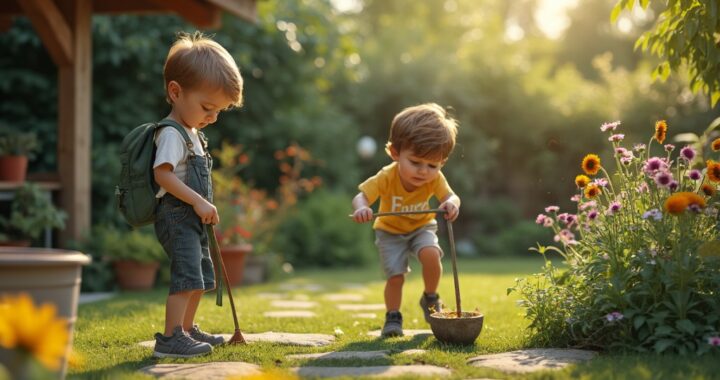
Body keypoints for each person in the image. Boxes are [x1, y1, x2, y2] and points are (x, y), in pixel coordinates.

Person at [151, 32, 243, 358]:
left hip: (192, 217)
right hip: (176, 215)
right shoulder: (172, 134)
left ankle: (186, 330)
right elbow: (161, 174)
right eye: (207, 107)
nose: (213, 117)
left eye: (219, 111)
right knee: (186, 275)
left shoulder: (193, 134)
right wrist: (199, 201)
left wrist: (201, 206)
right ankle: (170, 338)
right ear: (175, 92)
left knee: (200, 275)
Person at [351, 103, 460, 337]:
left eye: (432, 165)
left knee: (431, 254)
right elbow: (361, 197)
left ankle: (430, 296)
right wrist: (362, 209)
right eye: (416, 162)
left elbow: (451, 196)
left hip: (421, 227)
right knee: (396, 276)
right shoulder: (386, 176)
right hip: (390, 231)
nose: (423, 171)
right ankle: (393, 316)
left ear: (442, 162)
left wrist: (452, 203)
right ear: (396, 153)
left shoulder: (434, 178)